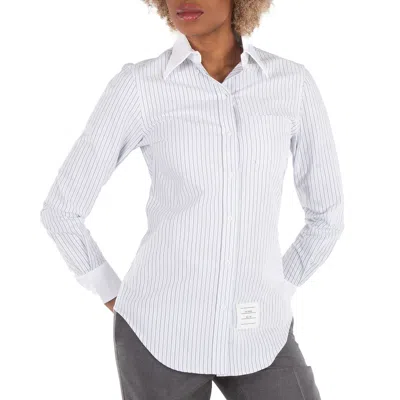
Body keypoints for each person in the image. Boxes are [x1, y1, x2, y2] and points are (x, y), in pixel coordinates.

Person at [40, 0, 344, 398]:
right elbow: (62, 210)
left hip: (262, 332)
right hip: (157, 336)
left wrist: (276, 286)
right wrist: (111, 290)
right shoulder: (140, 86)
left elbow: (326, 216)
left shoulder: (291, 84)